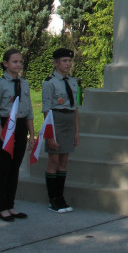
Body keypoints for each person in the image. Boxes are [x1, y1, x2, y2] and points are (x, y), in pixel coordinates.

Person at [0, 49, 35, 222]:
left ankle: (11, 205)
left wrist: (32, 132)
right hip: (5, 126)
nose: (18, 65)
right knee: (4, 168)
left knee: (15, 167)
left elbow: (29, 109)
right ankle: (2, 208)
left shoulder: (24, 84)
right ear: (5, 63)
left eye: (20, 62)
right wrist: (2, 135)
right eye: (14, 62)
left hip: (21, 125)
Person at [42, 47, 79, 213]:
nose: (68, 64)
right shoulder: (49, 83)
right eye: (64, 61)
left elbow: (75, 108)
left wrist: (76, 131)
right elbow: (46, 110)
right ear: (56, 63)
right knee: (54, 161)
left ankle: (60, 197)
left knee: (64, 161)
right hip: (55, 121)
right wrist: (49, 135)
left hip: (69, 121)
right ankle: (53, 199)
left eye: (69, 61)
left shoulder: (72, 81)